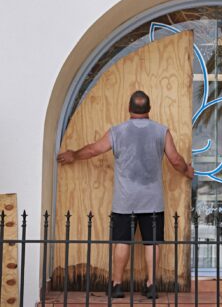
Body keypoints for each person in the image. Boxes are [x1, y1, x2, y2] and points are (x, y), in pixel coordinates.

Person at [57, 90, 194, 299]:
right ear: (149, 109)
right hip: (153, 201)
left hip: (125, 201)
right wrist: (186, 170)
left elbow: (94, 150)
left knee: (122, 242)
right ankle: (151, 285)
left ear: (130, 109)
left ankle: (117, 284)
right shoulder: (161, 131)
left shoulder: (117, 132)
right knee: (152, 243)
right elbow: (175, 159)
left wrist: (73, 155)